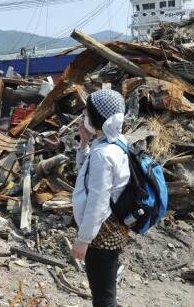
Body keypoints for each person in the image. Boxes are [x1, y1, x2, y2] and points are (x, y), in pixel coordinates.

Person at [71, 89, 130, 307]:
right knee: (106, 292)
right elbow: (86, 175)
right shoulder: (114, 143)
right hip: (113, 229)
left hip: (101, 235)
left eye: (87, 113)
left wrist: (83, 239)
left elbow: (98, 199)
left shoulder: (103, 154)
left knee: (103, 299)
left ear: (98, 117)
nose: (83, 116)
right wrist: (84, 143)